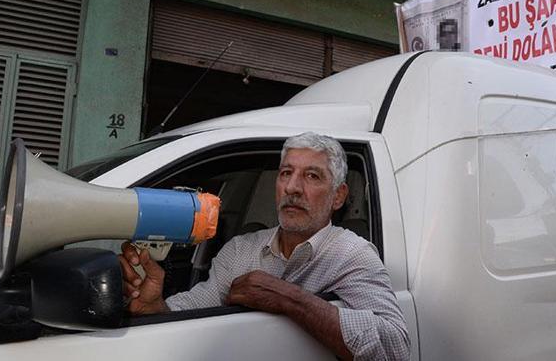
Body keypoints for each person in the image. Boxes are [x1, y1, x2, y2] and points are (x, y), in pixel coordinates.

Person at [119, 132, 410, 360]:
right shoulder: (241, 250)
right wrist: (156, 307)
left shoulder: (352, 254)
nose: (293, 188)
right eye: (286, 173)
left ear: (338, 196)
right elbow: (198, 307)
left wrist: (287, 298)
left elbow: (394, 348)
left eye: (312, 176)